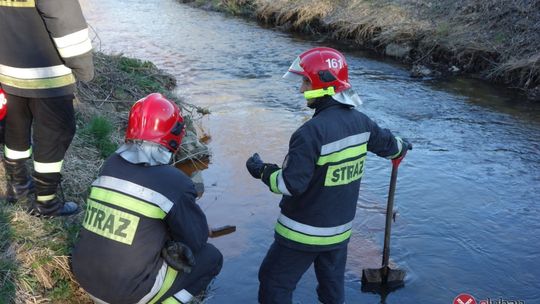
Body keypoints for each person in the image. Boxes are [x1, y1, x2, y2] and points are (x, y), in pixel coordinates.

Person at [246, 47, 412, 304]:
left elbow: (290, 184)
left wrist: (262, 170)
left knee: (273, 283)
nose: (301, 89)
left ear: (323, 84)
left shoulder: (310, 133)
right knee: (331, 290)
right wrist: (402, 146)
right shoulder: (362, 123)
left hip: (300, 233)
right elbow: (391, 145)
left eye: (305, 81)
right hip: (339, 233)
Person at [72, 93, 223, 304]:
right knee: (211, 258)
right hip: (125, 294)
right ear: (175, 134)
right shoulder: (176, 182)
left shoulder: (111, 164)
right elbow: (196, 242)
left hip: (85, 277)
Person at [0, 0, 94, 216]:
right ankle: (46, 203)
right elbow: (66, 23)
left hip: (7, 73)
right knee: (53, 137)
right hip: (49, 78)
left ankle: (18, 186)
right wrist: (84, 68)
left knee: (15, 131)